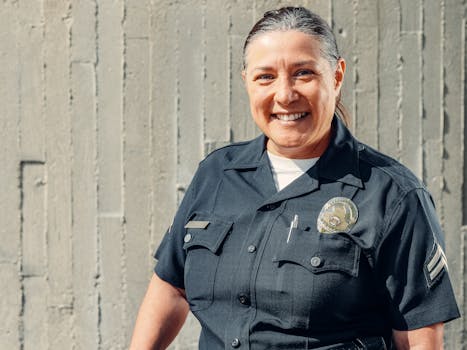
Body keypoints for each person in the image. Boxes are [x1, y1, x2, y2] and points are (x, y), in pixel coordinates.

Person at [129, 6, 460, 350]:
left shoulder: (392, 195)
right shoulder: (216, 175)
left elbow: (418, 336)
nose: (285, 95)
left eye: (303, 73)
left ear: (336, 76)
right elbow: (171, 287)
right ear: (246, 82)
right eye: (265, 77)